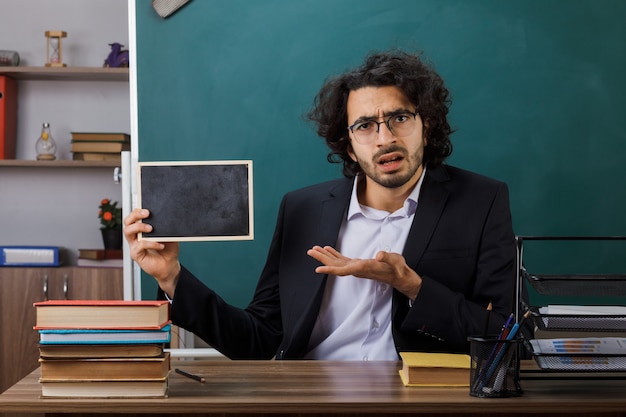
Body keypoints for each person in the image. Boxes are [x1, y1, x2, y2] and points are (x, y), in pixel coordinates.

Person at [124, 49, 518, 360]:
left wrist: (411, 285)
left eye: (399, 117)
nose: (384, 138)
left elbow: (508, 333)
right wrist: (171, 277)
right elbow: (260, 341)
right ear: (348, 144)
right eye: (365, 126)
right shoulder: (303, 209)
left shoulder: (481, 201)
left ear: (426, 125)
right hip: (311, 399)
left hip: (423, 404)